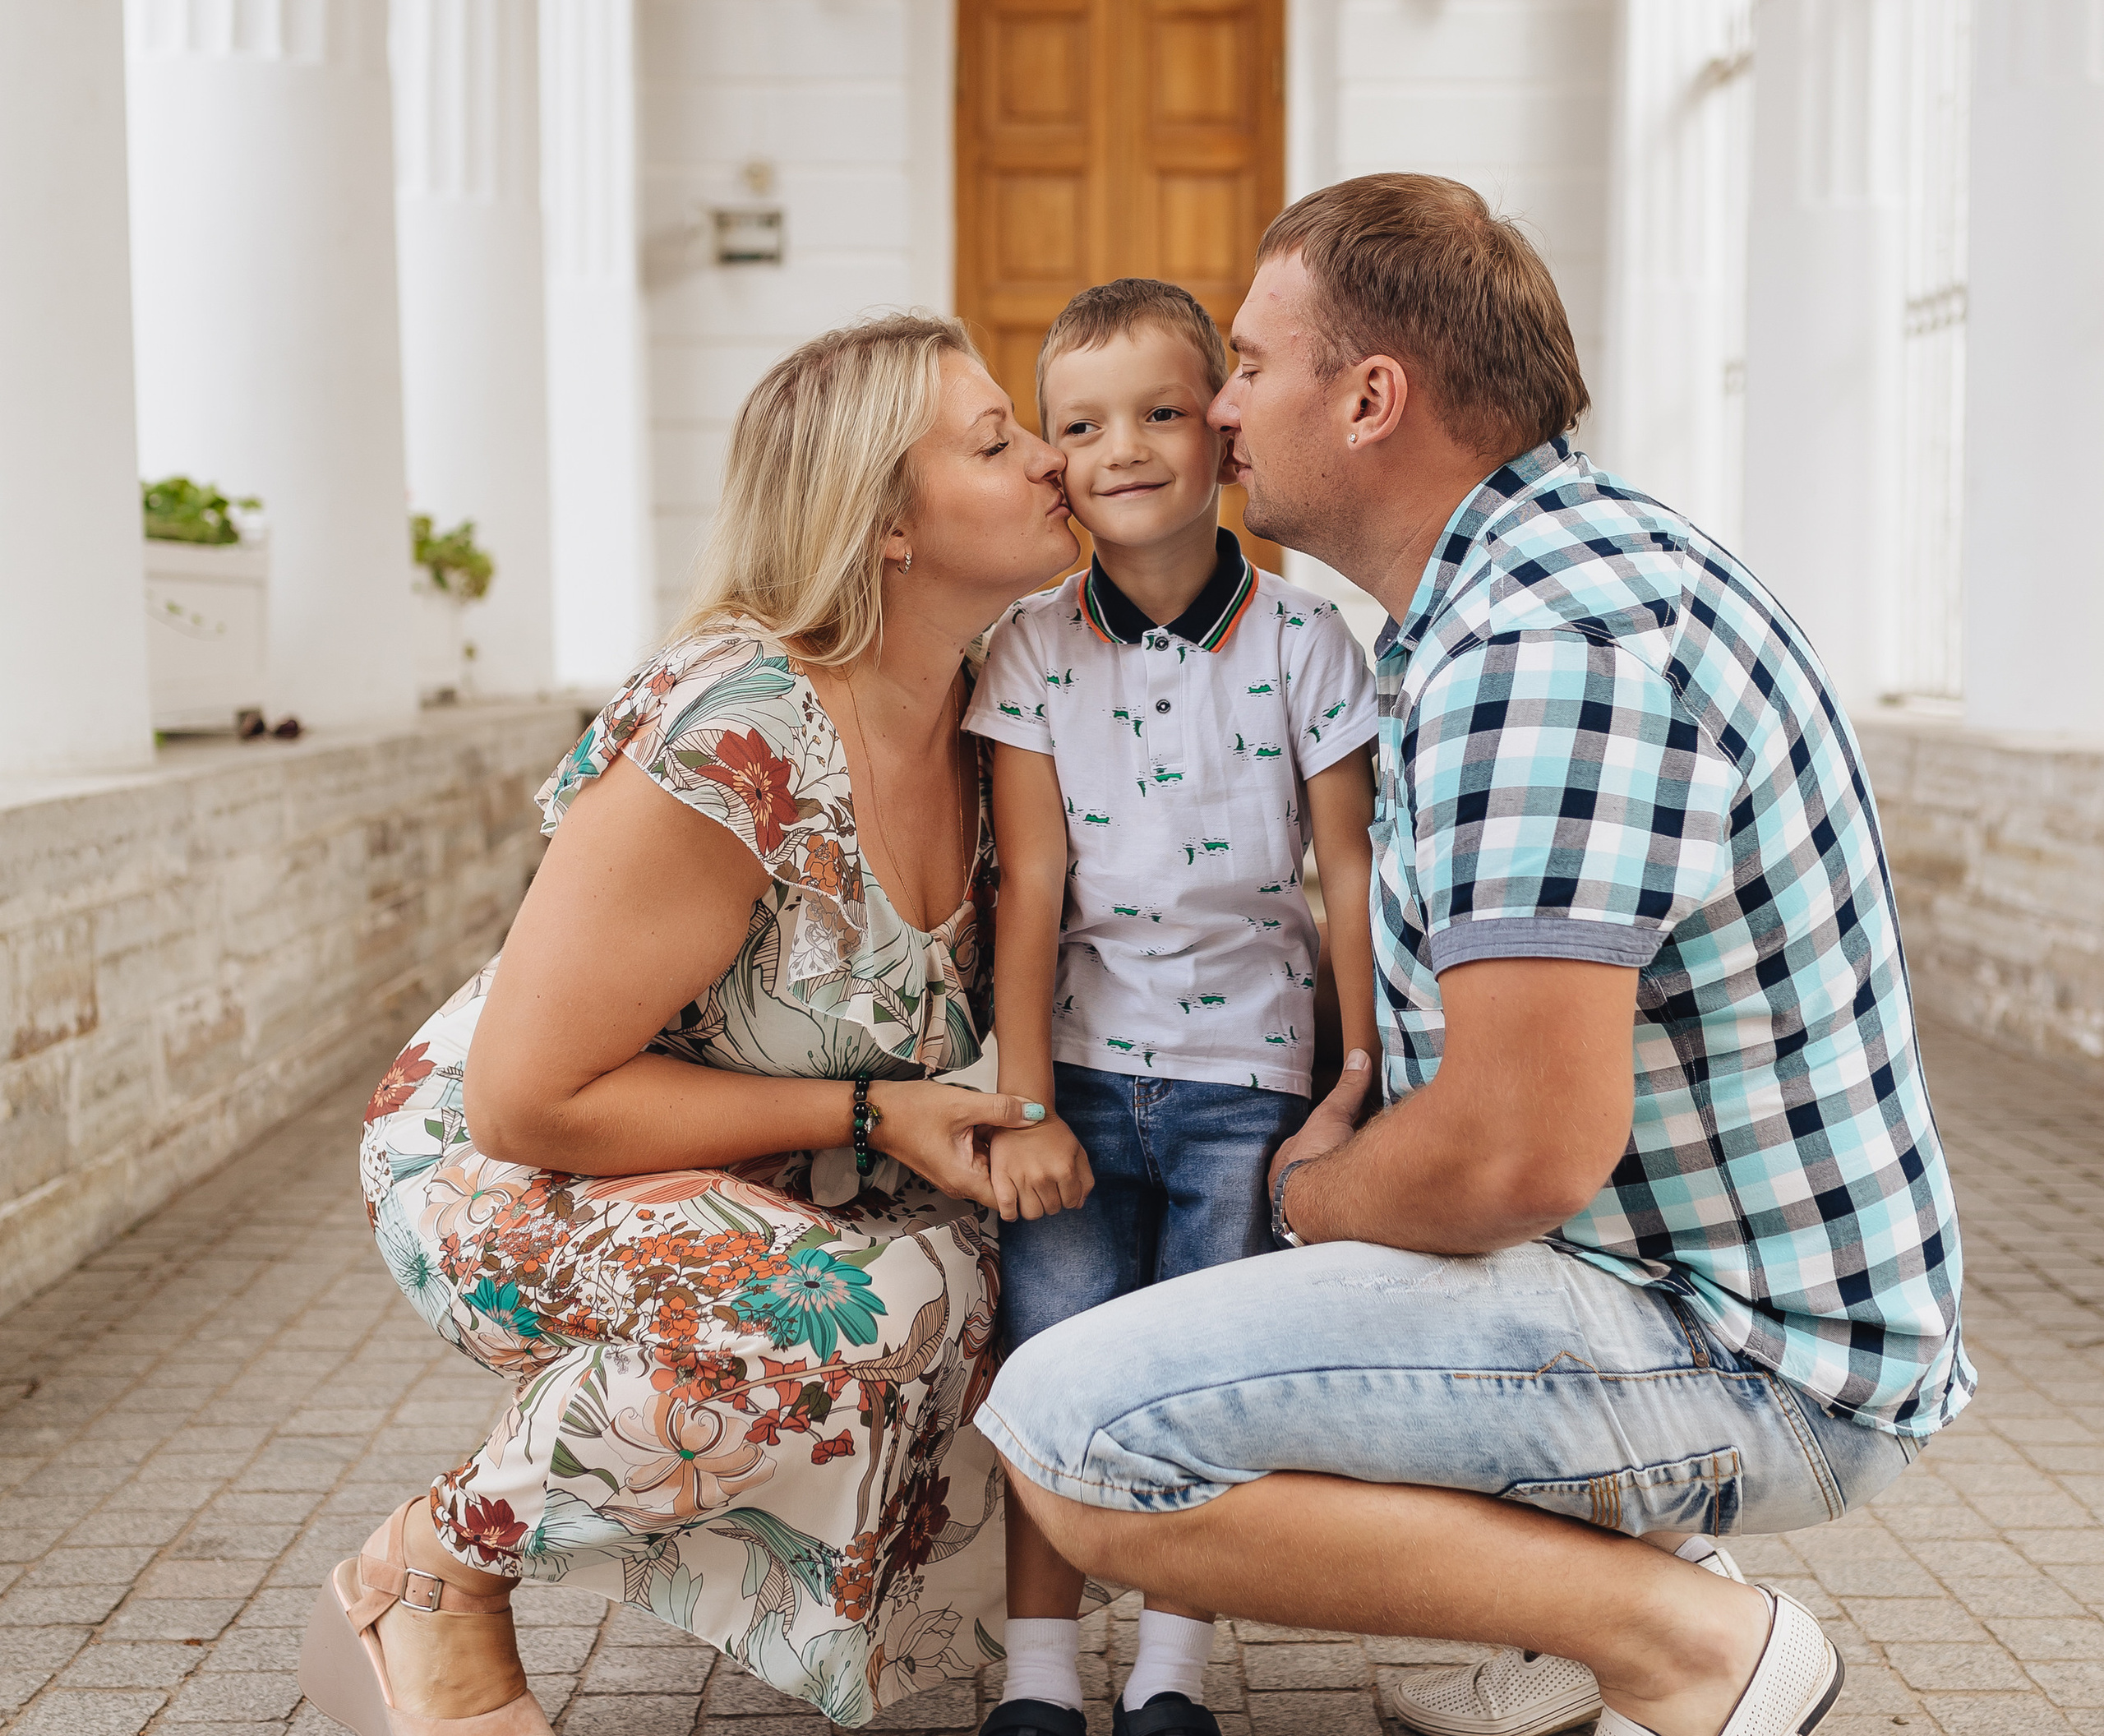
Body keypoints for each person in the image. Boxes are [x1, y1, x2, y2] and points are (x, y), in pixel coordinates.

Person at [974, 177, 1972, 1736]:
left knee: (1073, 1427)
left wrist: (1308, 1204)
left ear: (1370, 399)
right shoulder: (1514, 588)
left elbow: (1513, 1153)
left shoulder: (1543, 652)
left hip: (1746, 1350)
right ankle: (1578, 1585)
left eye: (1249, 365)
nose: (1220, 408)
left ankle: (1687, 1638)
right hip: (1659, 1272)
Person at [305, 315, 1082, 1736]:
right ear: (887, 524)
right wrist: (871, 1114)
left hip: (760, 1159)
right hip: (508, 1159)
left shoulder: (1001, 708)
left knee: (1017, 1291)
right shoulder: (741, 726)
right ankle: (434, 1567)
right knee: (857, 1316)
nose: (1052, 460)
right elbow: (528, 1101)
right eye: (996, 442)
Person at [961, 279, 1380, 1736]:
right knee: (1055, 1366)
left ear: (1220, 430)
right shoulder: (1028, 646)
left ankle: (1170, 1679)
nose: (1122, 448)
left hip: (1249, 1086)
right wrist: (1023, 1105)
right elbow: (1028, 888)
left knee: (1199, 1385)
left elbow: (1348, 875)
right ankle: (1035, 1677)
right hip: (1077, 1080)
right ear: (1054, 458)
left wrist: (1357, 1076)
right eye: (1080, 426)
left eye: (1158, 413)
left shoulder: (1307, 642)